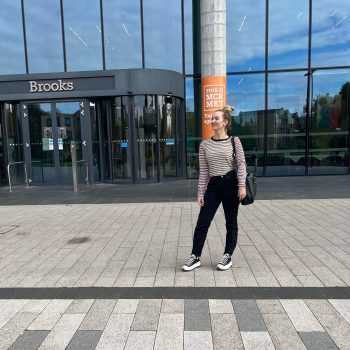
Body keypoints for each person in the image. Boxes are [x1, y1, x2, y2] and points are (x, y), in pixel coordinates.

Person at [182, 105, 246, 271]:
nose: (213, 121)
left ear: (225, 122)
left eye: (216, 118)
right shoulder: (204, 145)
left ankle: (227, 255)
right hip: (214, 186)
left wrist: (241, 186)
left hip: (231, 184)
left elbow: (241, 164)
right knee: (202, 222)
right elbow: (203, 171)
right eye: (212, 118)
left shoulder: (235, 141)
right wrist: (200, 192)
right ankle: (195, 256)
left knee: (231, 222)